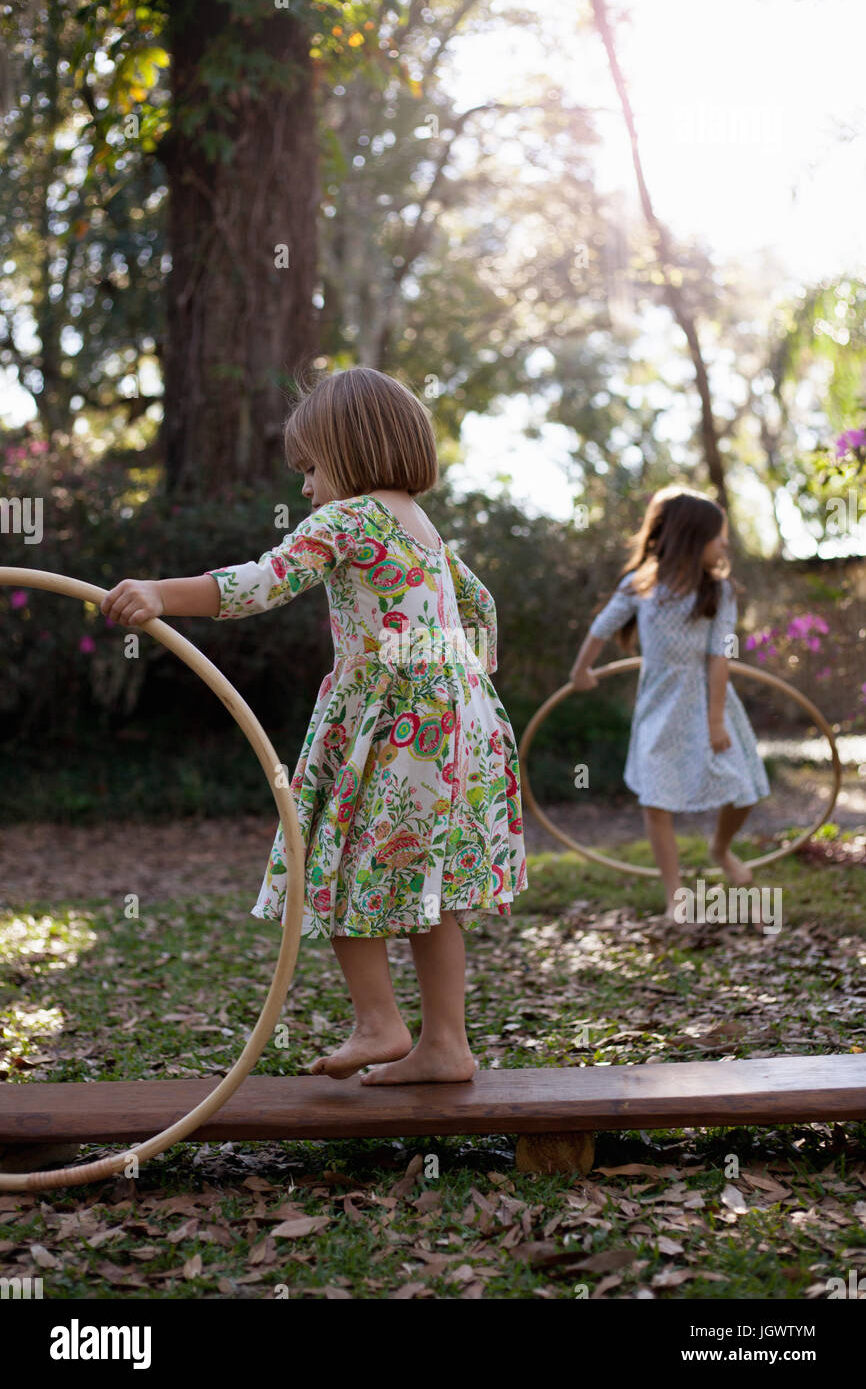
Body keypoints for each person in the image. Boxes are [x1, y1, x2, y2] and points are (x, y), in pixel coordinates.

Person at [100, 366, 528, 1084]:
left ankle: (380, 1023)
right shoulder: (423, 528)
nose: (304, 488)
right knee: (422, 882)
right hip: (457, 731)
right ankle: (446, 1043)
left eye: (311, 467)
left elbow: (263, 582)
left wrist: (159, 594)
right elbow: (481, 607)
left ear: (352, 450)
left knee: (331, 859)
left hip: (393, 727)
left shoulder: (349, 519)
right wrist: (463, 684)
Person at [568, 485, 769, 922]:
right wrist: (580, 670)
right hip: (660, 705)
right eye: (720, 535)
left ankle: (720, 848)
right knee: (656, 801)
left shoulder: (719, 592)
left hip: (708, 698)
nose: (726, 544)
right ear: (692, 538)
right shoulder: (641, 586)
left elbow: (722, 656)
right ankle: (674, 891)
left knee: (744, 787)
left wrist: (716, 721)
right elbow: (602, 628)